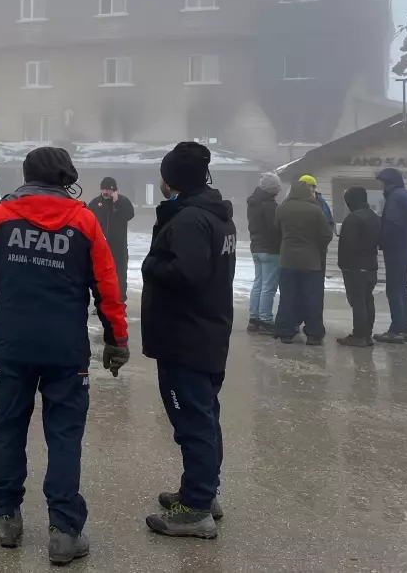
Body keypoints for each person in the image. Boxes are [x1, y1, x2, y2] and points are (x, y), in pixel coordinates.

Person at [0, 146, 128, 564]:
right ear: (65, 177)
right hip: (65, 349)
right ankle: (63, 530)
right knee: (63, 436)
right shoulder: (83, 221)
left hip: (13, 346)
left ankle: (6, 516)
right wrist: (117, 339)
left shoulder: (2, 218)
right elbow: (107, 287)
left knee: (7, 428)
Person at [140, 141, 235, 540]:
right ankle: (202, 490)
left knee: (192, 422)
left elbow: (187, 273)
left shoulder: (190, 220)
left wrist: (151, 264)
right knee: (204, 417)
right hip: (207, 330)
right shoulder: (216, 216)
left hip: (186, 336)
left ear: (172, 179)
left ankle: (195, 508)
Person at [272, 179, 333, 345]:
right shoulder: (315, 210)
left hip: (287, 260)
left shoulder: (282, 208)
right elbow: (327, 235)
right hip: (310, 262)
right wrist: (317, 247)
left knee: (288, 296)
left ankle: (285, 332)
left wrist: (285, 244)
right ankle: (313, 334)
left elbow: (276, 231)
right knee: (312, 298)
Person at [375, 167, 407, 344]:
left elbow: (392, 224)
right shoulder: (404, 195)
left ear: (389, 183)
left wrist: (381, 239)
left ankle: (397, 330)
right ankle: (405, 330)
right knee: (401, 289)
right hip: (406, 247)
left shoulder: (395, 197)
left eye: (383, 183)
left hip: (397, 248)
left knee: (394, 290)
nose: (382, 187)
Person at [336, 186, 381, 348]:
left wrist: (344, 265)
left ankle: (359, 335)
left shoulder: (353, 219)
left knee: (357, 301)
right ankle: (367, 334)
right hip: (371, 265)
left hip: (355, 266)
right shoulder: (375, 217)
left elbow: (347, 244)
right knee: (367, 299)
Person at [88, 176, 136, 301]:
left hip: (119, 247)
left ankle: (119, 302)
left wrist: (116, 202)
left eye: (107, 190)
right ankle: (102, 302)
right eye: (103, 189)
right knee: (101, 275)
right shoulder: (95, 203)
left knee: (119, 275)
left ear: (114, 190)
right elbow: (87, 220)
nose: (104, 192)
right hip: (100, 245)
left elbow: (130, 215)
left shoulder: (123, 201)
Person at [246, 172, 283, 332]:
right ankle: (266, 319)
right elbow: (274, 229)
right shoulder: (270, 205)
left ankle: (254, 318)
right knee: (269, 286)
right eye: (277, 187)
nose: (279, 189)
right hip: (270, 249)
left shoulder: (253, 203)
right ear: (271, 189)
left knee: (259, 283)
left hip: (256, 247)